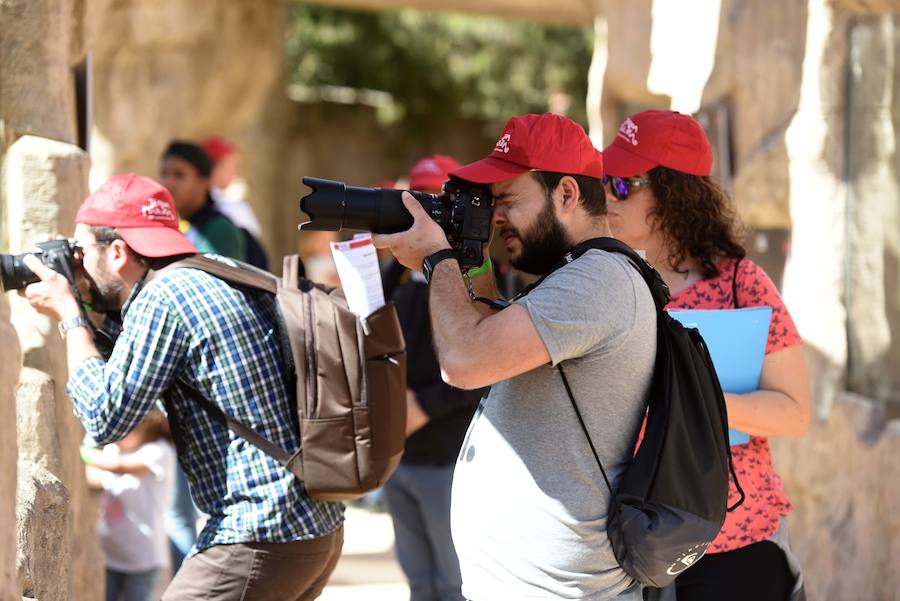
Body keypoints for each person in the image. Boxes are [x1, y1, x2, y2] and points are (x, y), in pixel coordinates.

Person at [372, 113, 656, 600]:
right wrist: (473, 260)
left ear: (566, 194)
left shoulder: (597, 280)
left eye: (506, 200)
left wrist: (436, 260)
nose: (495, 216)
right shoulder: (573, 276)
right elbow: (487, 332)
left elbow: (465, 362)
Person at [21, 174, 344, 600]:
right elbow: (139, 364)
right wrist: (83, 306)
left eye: (81, 252)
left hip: (261, 531)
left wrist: (70, 315)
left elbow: (104, 419)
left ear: (117, 251)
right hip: (315, 528)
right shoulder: (218, 270)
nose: (76, 262)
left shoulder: (163, 299)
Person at [600, 109, 811, 601]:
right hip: (632, 544)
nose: (608, 195)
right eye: (604, 180)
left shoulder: (741, 285)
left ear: (675, 192)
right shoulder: (607, 283)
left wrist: (695, 400)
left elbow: (795, 412)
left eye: (625, 184)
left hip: (734, 546)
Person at [380, 154, 483, 601]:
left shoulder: (474, 270)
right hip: (399, 453)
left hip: (445, 454)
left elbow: (483, 362)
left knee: (454, 582)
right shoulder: (397, 270)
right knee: (419, 581)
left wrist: (422, 406)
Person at [83, 410, 176, 601]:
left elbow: (120, 466)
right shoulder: (112, 451)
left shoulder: (158, 451)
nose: (116, 435)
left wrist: (84, 451)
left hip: (143, 559)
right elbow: (93, 479)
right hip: (112, 554)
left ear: (144, 427)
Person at [201, 136, 264, 239]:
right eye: (233, 167)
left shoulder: (231, 202)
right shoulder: (229, 207)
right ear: (214, 167)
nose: (237, 174)